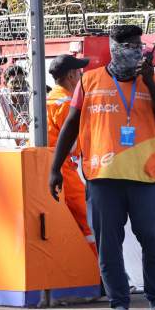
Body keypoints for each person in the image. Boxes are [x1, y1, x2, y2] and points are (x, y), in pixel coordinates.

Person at [47, 24, 155, 310]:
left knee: (153, 242)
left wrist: (147, 80)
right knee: (108, 245)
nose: (137, 51)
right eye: (131, 46)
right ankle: (120, 307)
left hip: (144, 177)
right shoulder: (90, 80)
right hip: (102, 177)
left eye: (140, 45)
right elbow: (70, 126)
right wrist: (55, 169)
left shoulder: (153, 80)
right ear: (115, 48)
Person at [46, 54, 95, 251]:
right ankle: (98, 273)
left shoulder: (50, 99)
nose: (82, 77)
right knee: (89, 223)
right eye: (80, 73)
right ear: (71, 76)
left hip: (51, 166)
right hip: (65, 169)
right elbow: (73, 145)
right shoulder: (66, 103)